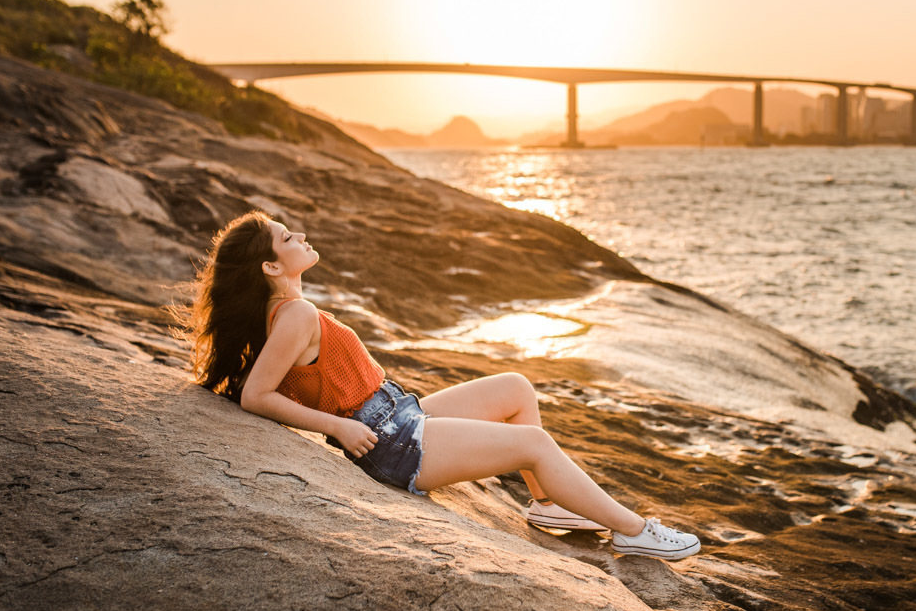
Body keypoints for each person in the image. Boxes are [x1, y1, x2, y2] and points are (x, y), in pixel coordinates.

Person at [175, 210, 700, 561]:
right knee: (535, 445)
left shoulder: (289, 311)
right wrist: (336, 427)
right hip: (394, 444)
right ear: (270, 265)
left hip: (400, 415)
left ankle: (546, 505)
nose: (302, 236)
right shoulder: (294, 314)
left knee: (516, 389)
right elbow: (255, 396)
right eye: (288, 238)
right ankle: (634, 533)